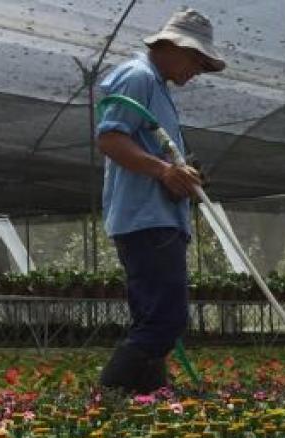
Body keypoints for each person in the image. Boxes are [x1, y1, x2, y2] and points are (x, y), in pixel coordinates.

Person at [95, 7, 225, 393]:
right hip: (147, 220)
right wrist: (165, 172)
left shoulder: (157, 86)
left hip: (158, 217)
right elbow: (110, 139)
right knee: (166, 321)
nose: (196, 70)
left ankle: (147, 398)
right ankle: (108, 395)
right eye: (196, 60)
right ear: (172, 46)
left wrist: (183, 173)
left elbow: (154, 149)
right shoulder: (138, 77)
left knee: (152, 319)